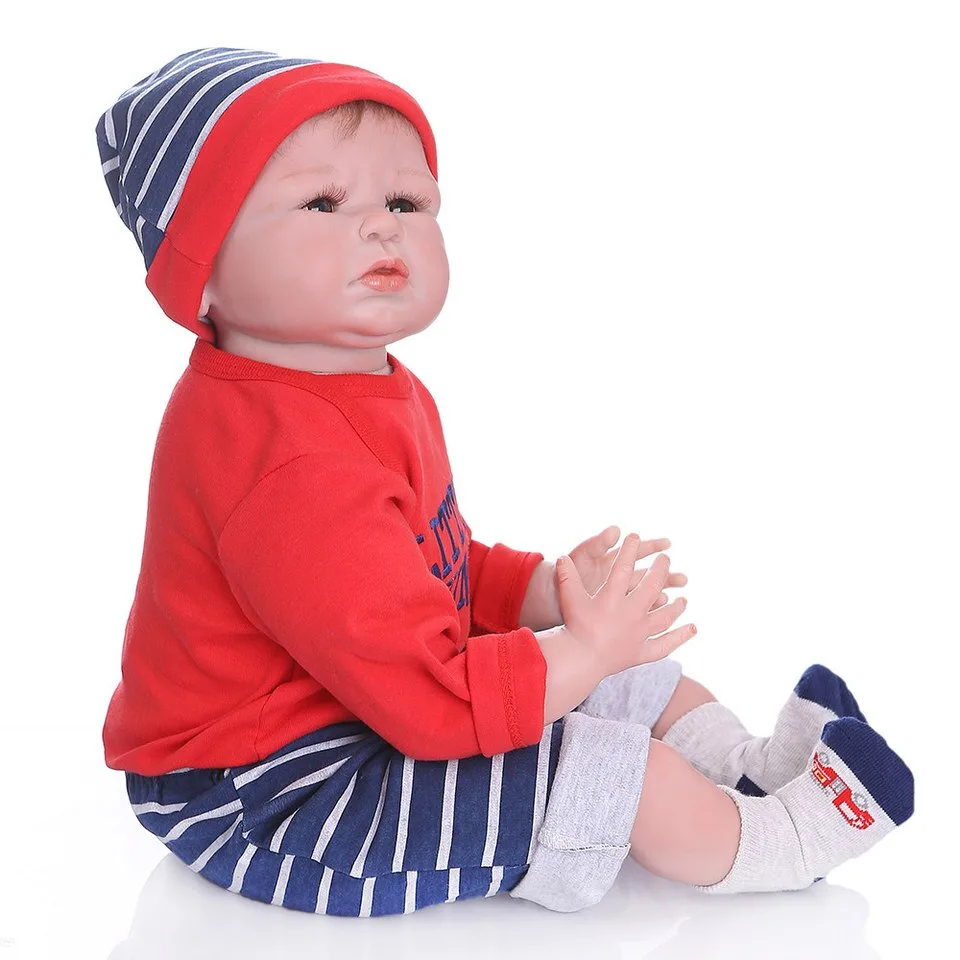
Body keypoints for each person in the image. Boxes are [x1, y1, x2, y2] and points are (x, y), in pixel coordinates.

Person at [95, 46, 913, 918]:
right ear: (201, 272)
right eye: (323, 203)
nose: (381, 228)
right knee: (606, 771)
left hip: (362, 703)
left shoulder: (360, 385)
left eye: (406, 201)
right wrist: (581, 649)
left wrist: (545, 594)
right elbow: (429, 700)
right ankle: (780, 843)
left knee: (622, 683)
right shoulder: (290, 470)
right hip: (268, 788)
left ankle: (744, 771)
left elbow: (420, 570)